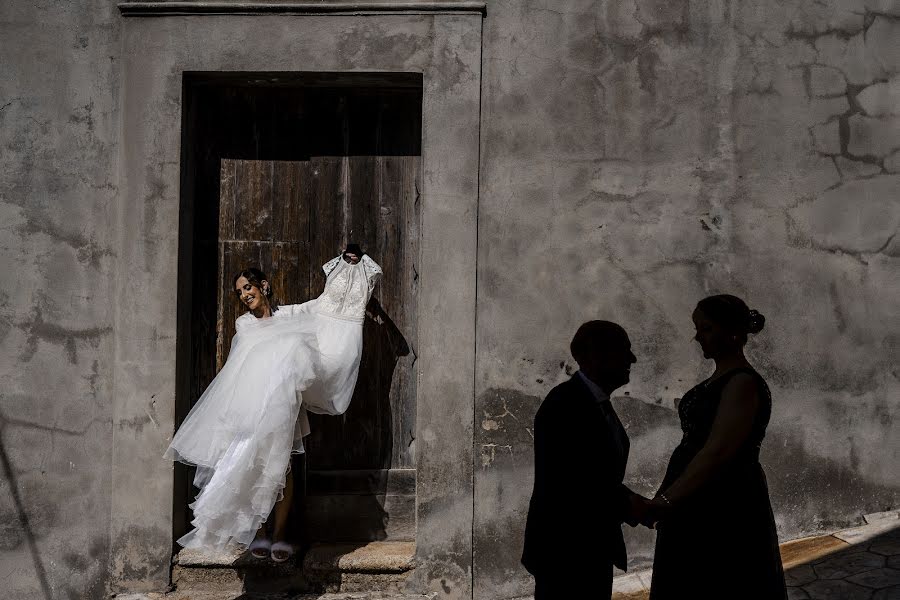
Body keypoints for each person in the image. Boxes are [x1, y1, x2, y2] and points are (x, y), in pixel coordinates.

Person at [164, 244, 382, 562]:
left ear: (263, 286)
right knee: (251, 464)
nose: (244, 295)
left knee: (282, 470)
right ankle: (259, 533)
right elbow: (243, 365)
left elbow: (326, 307)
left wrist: (349, 269)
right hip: (252, 410)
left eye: (248, 287)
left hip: (284, 411)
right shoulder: (244, 325)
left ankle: (278, 535)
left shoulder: (290, 315)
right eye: (239, 292)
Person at [643, 295, 787, 599]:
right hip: (697, 497)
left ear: (732, 331)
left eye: (706, 328)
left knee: (720, 582)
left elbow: (718, 452)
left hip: (724, 503)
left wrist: (666, 501)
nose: (698, 337)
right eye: (697, 329)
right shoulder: (720, 380)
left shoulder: (742, 383)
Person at [522, 320, 647, 600]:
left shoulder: (595, 403)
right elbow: (574, 482)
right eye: (623, 351)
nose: (632, 359)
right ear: (595, 355)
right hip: (566, 550)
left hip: (589, 547)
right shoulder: (565, 404)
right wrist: (630, 504)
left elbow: (597, 476)